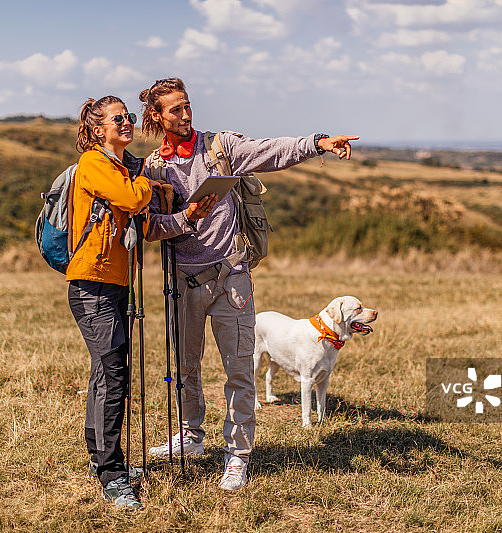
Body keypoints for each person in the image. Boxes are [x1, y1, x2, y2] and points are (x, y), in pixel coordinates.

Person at [139, 77, 358, 491]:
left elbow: (270, 151)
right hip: (183, 282)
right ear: (156, 115)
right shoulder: (153, 167)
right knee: (185, 368)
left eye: (188, 106)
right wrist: (188, 217)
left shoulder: (220, 147)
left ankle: (237, 455)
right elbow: (151, 228)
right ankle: (190, 437)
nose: (185, 116)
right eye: (175, 110)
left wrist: (318, 143)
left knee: (239, 370)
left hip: (232, 278)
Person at [66, 96, 152, 509]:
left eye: (129, 117)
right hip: (92, 285)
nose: (128, 122)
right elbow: (135, 200)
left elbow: (142, 217)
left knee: (110, 373)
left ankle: (104, 461)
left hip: (116, 283)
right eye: (120, 118)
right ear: (98, 130)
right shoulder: (94, 163)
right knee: (113, 374)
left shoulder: (121, 168)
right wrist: (149, 178)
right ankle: (112, 476)